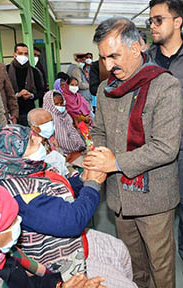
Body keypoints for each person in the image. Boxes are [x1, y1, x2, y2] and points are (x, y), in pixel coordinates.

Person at [83, 17, 182, 288]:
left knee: (160, 268)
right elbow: (99, 131)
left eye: (114, 56)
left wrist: (114, 162)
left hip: (154, 199)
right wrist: (99, 156)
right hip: (120, 196)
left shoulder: (166, 86)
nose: (108, 66)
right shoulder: (105, 90)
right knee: (132, 264)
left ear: (137, 48)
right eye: (103, 58)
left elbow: (166, 147)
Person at [0, 124, 138, 288]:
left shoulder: (23, 170)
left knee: (119, 249)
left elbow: (58, 189)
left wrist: (83, 179)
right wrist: (93, 184)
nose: (40, 139)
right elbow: (72, 221)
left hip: (70, 245)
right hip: (55, 269)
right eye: (32, 142)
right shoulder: (18, 195)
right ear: (13, 159)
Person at [147, 0, 183, 262]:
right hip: (153, 154)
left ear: (178, 21)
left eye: (158, 19)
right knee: (155, 218)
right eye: (150, 20)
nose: (152, 26)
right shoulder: (145, 62)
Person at [6, 43, 45, 126]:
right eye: (20, 53)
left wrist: (31, 95)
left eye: (25, 54)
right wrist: (17, 95)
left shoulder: (34, 72)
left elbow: (41, 91)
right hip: (12, 112)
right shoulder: (6, 70)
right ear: (14, 55)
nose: (23, 56)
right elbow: (2, 91)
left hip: (29, 111)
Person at [43, 90, 86, 154]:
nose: (60, 106)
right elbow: (62, 140)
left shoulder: (65, 115)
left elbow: (72, 131)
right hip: (64, 152)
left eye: (61, 103)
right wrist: (78, 146)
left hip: (76, 148)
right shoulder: (51, 118)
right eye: (56, 104)